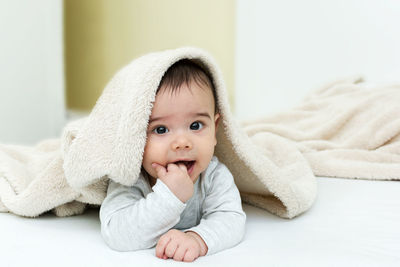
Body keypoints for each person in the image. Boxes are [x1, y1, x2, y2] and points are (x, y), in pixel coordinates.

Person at [99, 59, 246, 262]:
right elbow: (115, 232)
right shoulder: (133, 178)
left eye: (196, 125)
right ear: (135, 136)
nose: (182, 143)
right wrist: (170, 197)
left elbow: (231, 219)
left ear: (215, 128)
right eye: (161, 129)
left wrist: (196, 239)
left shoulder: (213, 175)